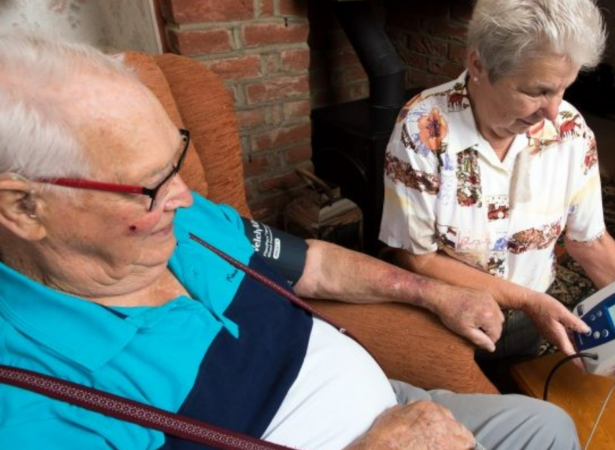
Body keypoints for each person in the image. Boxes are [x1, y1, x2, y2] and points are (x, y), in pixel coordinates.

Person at [0, 34, 582, 449]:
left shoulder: (185, 220)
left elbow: (316, 264)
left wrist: (432, 293)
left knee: (549, 427)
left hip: (393, 400)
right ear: (23, 207)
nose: (184, 198)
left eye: (175, 160)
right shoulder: (30, 401)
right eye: (148, 186)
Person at [380, 0, 615, 386]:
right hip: (444, 317)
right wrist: (528, 301)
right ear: (479, 65)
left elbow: (591, 240)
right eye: (538, 91)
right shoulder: (424, 128)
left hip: (531, 319)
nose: (554, 111)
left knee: (517, 402)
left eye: (564, 89)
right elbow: (416, 257)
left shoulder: (570, 131)